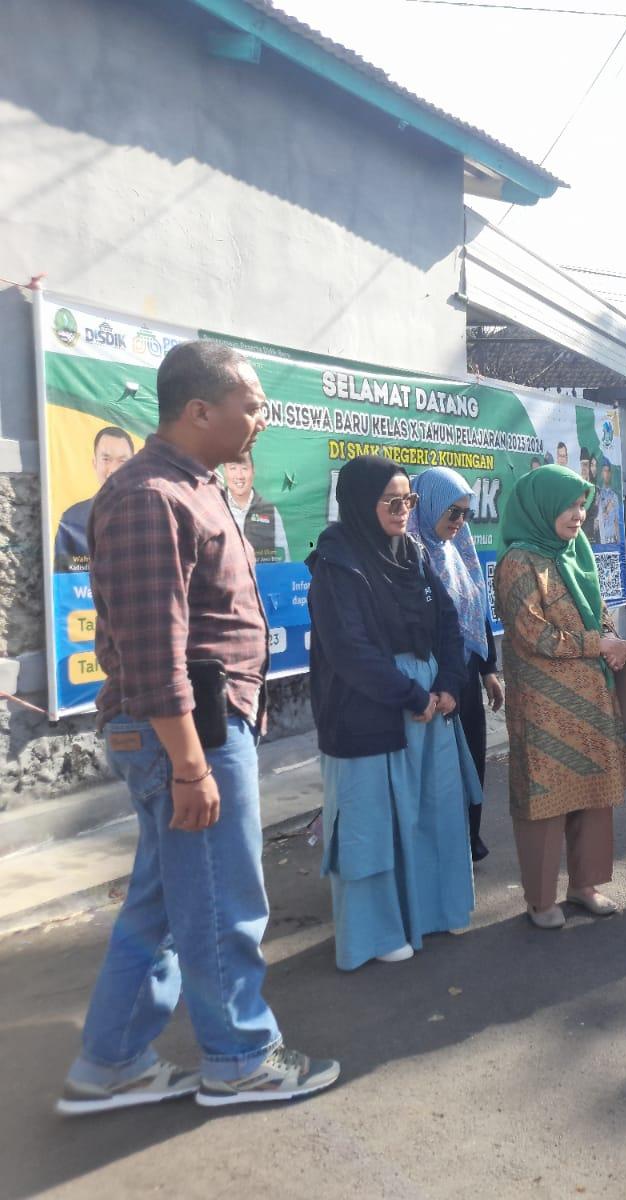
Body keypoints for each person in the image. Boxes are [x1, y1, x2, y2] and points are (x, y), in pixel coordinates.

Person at [58, 340, 337, 1114]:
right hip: (188, 734)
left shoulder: (195, 487)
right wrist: (189, 765)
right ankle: (240, 1059)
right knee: (220, 902)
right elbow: (154, 649)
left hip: (200, 729)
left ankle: (111, 1062)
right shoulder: (152, 496)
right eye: (252, 405)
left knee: (164, 902)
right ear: (199, 410)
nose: (262, 418)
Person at [307, 456, 479, 969]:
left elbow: (447, 621)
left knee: (430, 812)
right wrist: (412, 695)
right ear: (362, 502)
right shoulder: (337, 564)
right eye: (391, 501)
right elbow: (349, 650)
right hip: (369, 711)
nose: (403, 510)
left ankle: (430, 911)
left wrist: (448, 683)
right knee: (371, 826)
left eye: (409, 500)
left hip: (428, 707)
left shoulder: (412, 554)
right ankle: (375, 936)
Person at [496, 465, 626, 930]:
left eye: (581, 506)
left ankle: (585, 885)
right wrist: (599, 644)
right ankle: (540, 900)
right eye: (569, 505)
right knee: (545, 801)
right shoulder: (519, 561)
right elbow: (532, 633)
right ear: (542, 506)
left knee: (594, 794)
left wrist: (614, 641)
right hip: (544, 707)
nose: (578, 515)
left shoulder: (576, 553)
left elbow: (598, 613)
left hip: (593, 698)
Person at [409, 467, 503, 862]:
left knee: (471, 760)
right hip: (429, 681)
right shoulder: (410, 554)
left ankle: (469, 838)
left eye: (465, 513)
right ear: (428, 505)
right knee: (437, 768)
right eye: (452, 512)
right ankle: (438, 850)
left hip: (463, 676)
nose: (459, 521)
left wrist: (488, 669)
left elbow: (477, 607)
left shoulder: (459, 550)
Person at [54, 425, 134, 571]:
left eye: (122, 461)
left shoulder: (151, 514)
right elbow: (64, 578)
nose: (113, 469)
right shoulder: (72, 518)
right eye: (106, 459)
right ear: (94, 464)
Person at [223, 450, 289, 564]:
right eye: (233, 468)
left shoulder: (270, 511)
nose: (239, 475)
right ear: (225, 472)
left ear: (253, 471)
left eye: (244, 468)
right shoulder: (213, 507)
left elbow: (284, 560)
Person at [595, 461, 622, 544]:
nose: (606, 473)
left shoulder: (614, 496)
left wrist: (619, 541)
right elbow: (596, 522)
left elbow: (616, 521)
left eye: (608, 471)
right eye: (604, 471)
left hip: (612, 540)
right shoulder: (598, 495)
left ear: (610, 474)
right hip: (601, 540)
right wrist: (607, 510)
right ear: (601, 474)